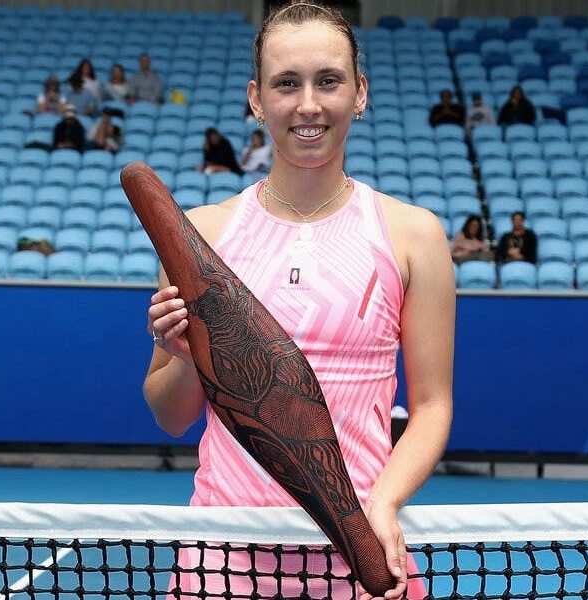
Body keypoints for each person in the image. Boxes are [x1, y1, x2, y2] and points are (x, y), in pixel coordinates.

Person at [145, 3, 454, 599]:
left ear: (359, 93)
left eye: (328, 81)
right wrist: (181, 354)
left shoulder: (415, 235)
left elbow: (434, 406)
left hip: (361, 545)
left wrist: (383, 505)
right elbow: (173, 415)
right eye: (286, 83)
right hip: (224, 556)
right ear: (257, 100)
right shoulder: (202, 235)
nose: (308, 104)